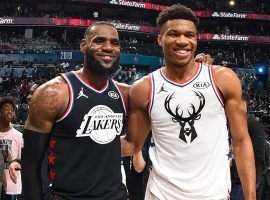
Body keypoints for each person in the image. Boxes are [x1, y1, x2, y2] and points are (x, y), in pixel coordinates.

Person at [21, 21, 215, 200]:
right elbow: (31, 161)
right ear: (83, 46)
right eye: (99, 41)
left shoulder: (125, 94)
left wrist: (191, 70)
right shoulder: (53, 93)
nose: (108, 47)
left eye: (114, 43)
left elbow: (170, 99)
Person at [122, 4, 256, 200]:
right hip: (161, 194)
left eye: (189, 35)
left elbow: (241, 142)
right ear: (160, 39)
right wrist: (78, 142)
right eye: (173, 34)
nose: (182, 41)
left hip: (214, 194)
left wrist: (250, 197)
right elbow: (132, 145)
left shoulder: (223, 79)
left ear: (196, 39)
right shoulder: (144, 88)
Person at [231, 91, 266, 200]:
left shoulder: (253, 124)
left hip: (246, 180)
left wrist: (235, 160)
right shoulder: (238, 123)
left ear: (243, 104)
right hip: (236, 178)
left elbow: (258, 156)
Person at [0, 97, 23, 200]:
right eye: (6, 109)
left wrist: (15, 165)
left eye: (12, 110)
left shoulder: (18, 136)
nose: (10, 112)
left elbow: (24, 161)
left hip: (12, 186)